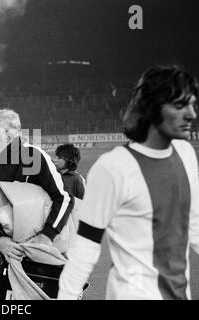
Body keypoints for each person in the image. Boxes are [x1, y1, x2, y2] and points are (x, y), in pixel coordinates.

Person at [58, 65, 199, 300]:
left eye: (193, 105)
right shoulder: (113, 168)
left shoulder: (185, 154)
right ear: (152, 108)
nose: (192, 114)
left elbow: (193, 224)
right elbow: (86, 246)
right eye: (180, 105)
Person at [0, 109, 74, 298]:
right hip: (10, 259)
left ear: (9, 134)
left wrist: (46, 236)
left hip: (45, 257)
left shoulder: (34, 157)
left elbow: (64, 199)